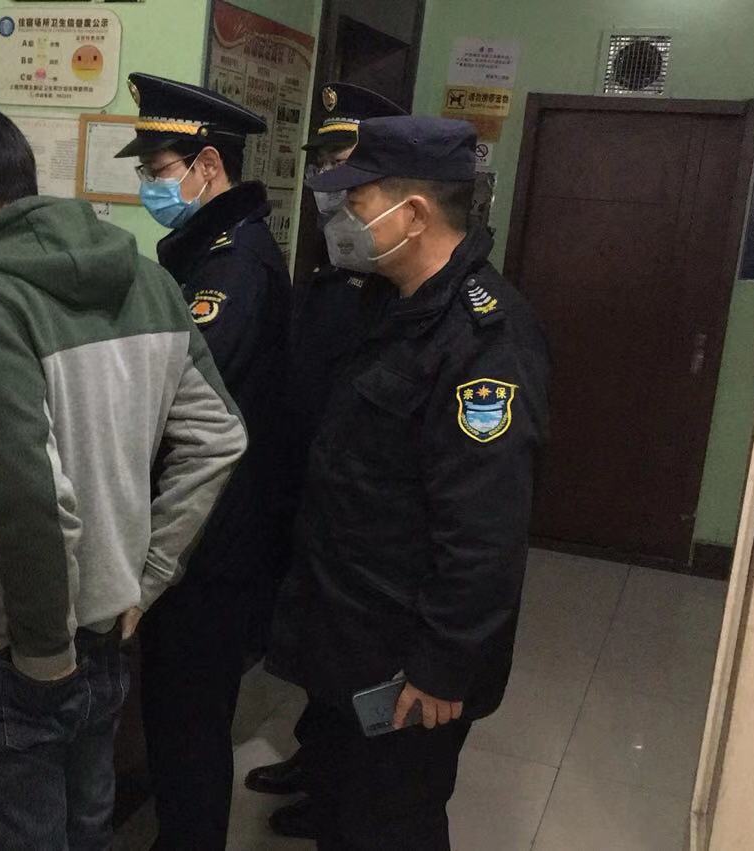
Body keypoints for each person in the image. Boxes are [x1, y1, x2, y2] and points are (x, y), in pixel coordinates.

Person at [0, 104, 248, 850]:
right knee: (89, 834)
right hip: (113, 625)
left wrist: (42, 651)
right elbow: (219, 436)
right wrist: (150, 575)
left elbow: (29, 492)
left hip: (16, 646)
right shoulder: (148, 281)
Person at [290, 115, 551, 848]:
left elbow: (485, 532)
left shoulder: (485, 340)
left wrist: (442, 666)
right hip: (354, 631)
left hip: (408, 660)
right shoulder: (392, 303)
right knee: (345, 813)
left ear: (412, 213)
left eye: (358, 201)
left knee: (392, 823)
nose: (345, 218)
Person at [113, 72, 290, 851]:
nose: (150, 187)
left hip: (212, 541)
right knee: (181, 718)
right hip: (209, 531)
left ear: (207, 165)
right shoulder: (211, 251)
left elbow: (179, 389)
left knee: (187, 723)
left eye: (158, 170)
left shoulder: (231, 266)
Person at [252, 82, 407, 841]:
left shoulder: (398, 293)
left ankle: (334, 782)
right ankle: (314, 759)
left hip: (356, 517)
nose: (330, 186)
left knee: (349, 658)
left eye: (346, 166)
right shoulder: (327, 277)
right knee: (317, 648)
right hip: (307, 492)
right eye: (324, 167)